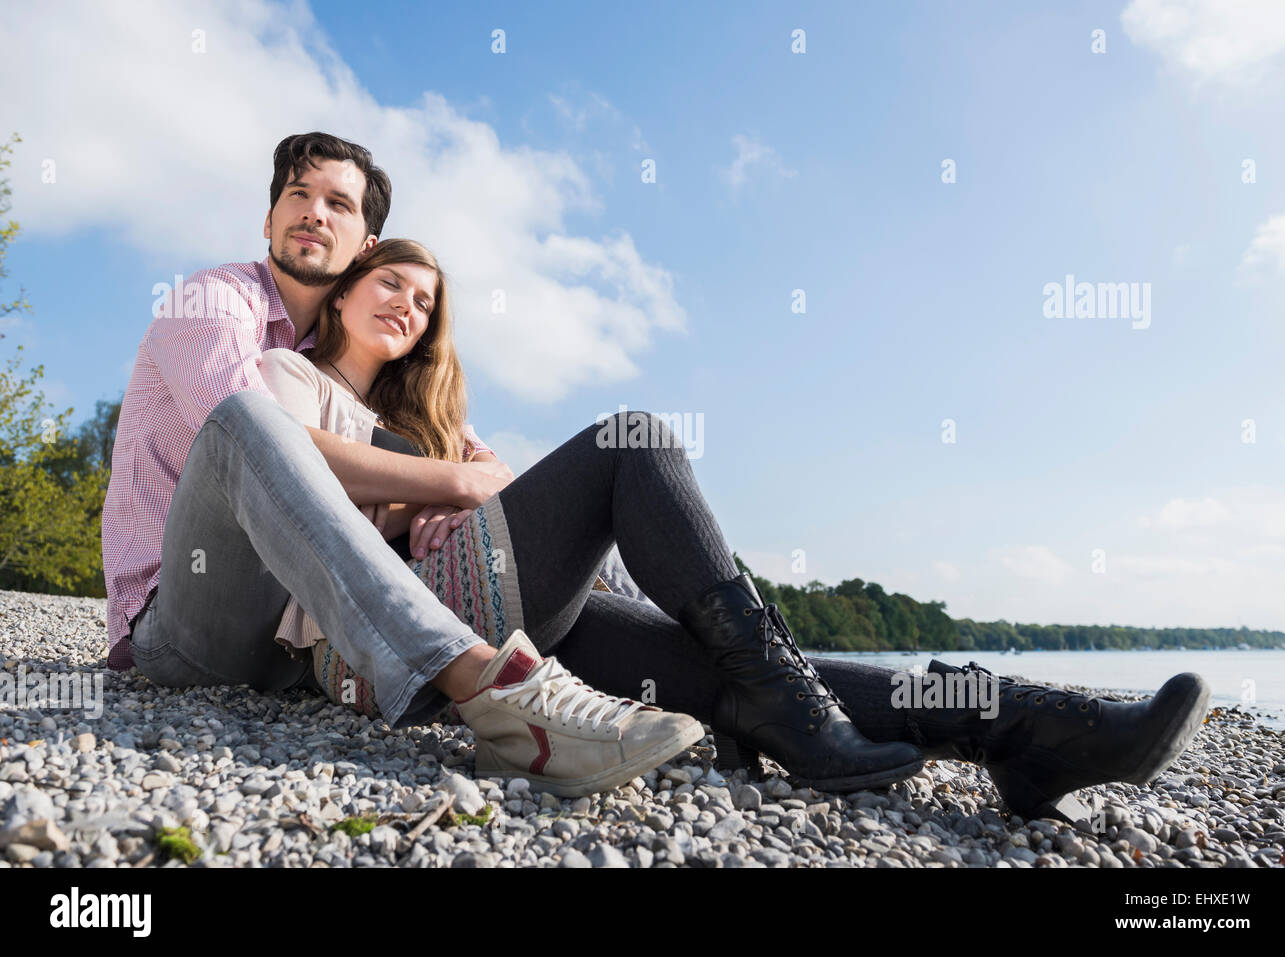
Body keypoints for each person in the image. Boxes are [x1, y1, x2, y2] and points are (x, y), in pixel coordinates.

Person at [255, 234, 1211, 825]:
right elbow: (296, 461)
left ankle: (1028, 725)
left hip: (517, 620)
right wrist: (460, 477)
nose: (408, 307)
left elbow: (502, 504)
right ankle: (791, 711)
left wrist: (469, 471)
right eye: (390, 284)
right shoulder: (296, 379)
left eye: (424, 303)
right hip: (391, 637)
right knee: (632, 440)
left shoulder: (442, 422)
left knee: (743, 673)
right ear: (341, 293)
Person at [102, 131, 704, 797]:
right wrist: (449, 481)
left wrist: (459, 484)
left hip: (299, 653)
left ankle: (781, 688)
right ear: (269, 219)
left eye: (338, 202)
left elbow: (478, 457)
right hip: (182, 627)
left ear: (363, 245)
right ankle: (486, 684)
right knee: (246, 418)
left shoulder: (347, 357)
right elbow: (275, 446)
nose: (314, 212)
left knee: (627, 588)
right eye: (298, 195)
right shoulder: (216, 302)